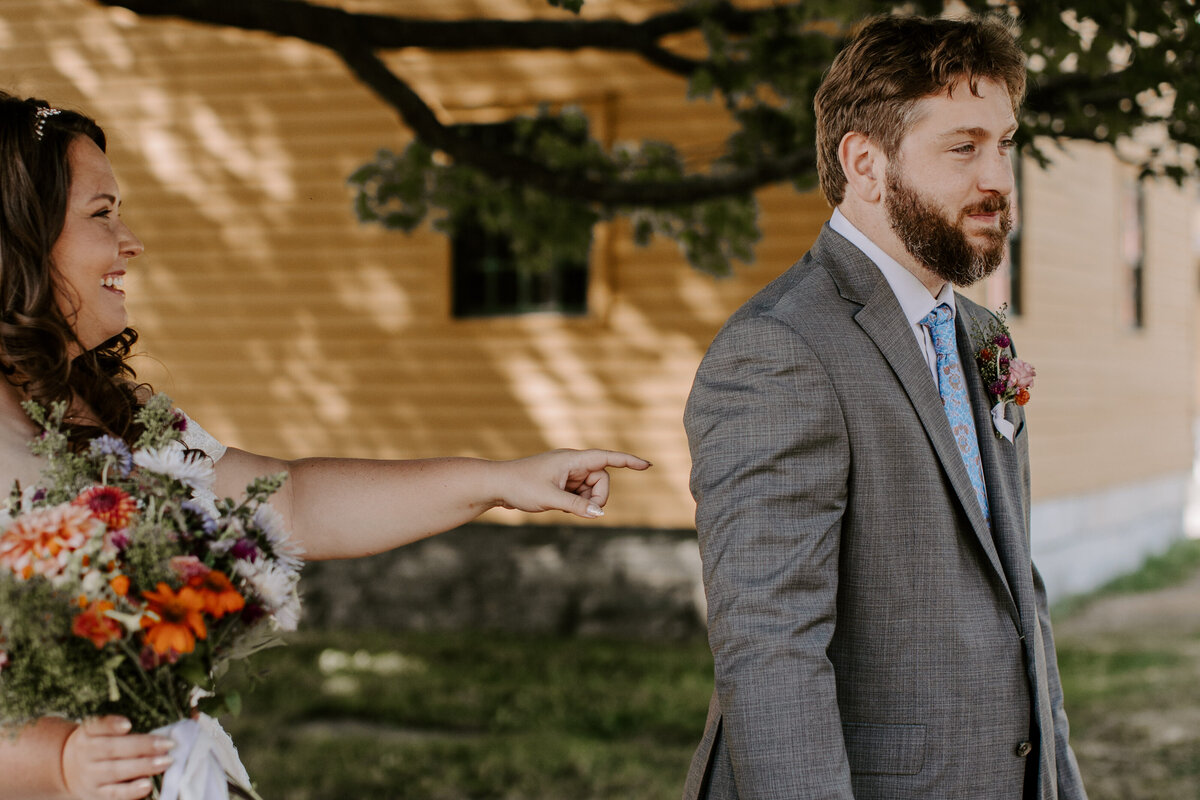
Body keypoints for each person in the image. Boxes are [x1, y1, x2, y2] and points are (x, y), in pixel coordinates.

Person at [0, 92, 649, 800]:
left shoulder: (124, 415)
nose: (132, 241)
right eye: (102, 213)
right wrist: (60, 762)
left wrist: (498, 480)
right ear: (18, 236)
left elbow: (295, 502)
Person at [682, 14, 1087, 800]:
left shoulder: (977, 334)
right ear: (865, 164)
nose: (999, 178)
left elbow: (1017, 601)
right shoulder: (778, 351)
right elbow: (771, 653)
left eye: (1005, 144)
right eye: (963, 146)